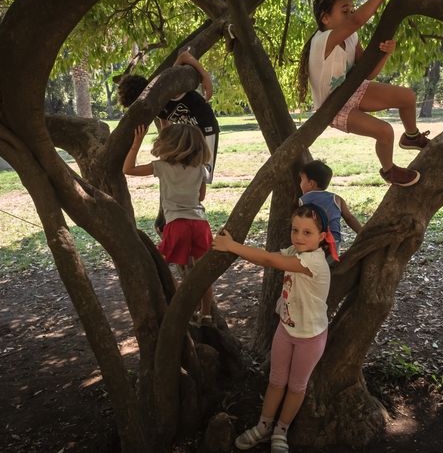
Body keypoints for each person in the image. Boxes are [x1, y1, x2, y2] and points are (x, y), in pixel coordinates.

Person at [212, 204, 336, 453]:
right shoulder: (295, 250)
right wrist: (237, 243)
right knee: (276, 381)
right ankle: (263, 426)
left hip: (310, 338)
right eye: (295, 230)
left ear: (322, 237)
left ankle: (281, 430)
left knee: (296, 386)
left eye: (307, 232)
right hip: (286, 331)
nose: (299, 237)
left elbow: (268, 260)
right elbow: (269, 254)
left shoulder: (313, 261)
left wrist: (231, 246)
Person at [296, 0, 430, 188]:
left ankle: (412, 136)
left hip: (352, 90)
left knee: (407, 97)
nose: (351, 14)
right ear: (325, 18)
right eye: (344, 11)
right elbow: (358, 21)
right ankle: (389, 171)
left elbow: (366, 73)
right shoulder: (322, 40)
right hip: (333, 107)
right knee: (385, 131)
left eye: (352, 9)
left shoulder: (351, 38)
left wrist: (386, 53)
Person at [118, 50, 220, 234]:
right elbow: (165, 122)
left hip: (205, 134)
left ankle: (185, 226)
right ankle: (166, 221)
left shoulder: (166, 89)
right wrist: (166, 147)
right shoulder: (156, 106)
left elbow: (184, 56)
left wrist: (206, 78)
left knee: (199, 189)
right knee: (172, 176)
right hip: (186, 139)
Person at [123, 123, 215, 324]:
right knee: (201, 272)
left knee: (164, 267)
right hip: (200, 224)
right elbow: (201, 197)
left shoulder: (161, 167)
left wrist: (136, 142)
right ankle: (206, 313)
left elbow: (127, 169)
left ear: (169, 145)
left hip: (176, 225)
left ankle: (183, 310)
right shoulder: (201, 169)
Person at [298, 160, 362, 255]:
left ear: (311, 183)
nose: (300, 184)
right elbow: (349, 218)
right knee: (330, 265)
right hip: (334, 241)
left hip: (314, 242)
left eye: (301, 180)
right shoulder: (337, 198)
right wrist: (362, 233)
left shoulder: (303, 200)